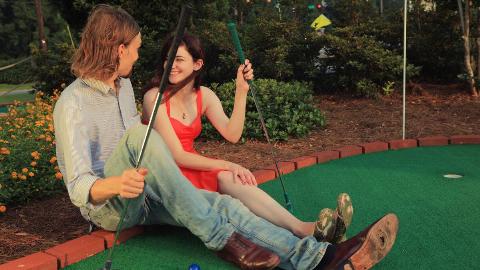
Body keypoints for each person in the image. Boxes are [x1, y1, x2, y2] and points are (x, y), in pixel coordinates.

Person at [53, 4, 398, 270]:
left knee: (225, 204)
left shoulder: (124, 86)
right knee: (138, 136)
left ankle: (321, 258)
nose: (140, 55)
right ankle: (221, 239)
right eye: (136, 48)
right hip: (111, 209)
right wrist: (118, 185)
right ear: (118, 49)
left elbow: (213, 139)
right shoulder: (73, 103)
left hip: (147, 195)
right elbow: (79, 188)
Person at [142, 32, 353, 243]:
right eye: (168, 59)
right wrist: (228, 164)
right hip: (164, 172)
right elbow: (177, 156)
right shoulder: (154, 98)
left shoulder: (203, 95)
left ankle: (304, 229)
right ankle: (302, 233)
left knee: (231, 177)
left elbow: (232, 134)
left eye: (178, 59)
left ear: (197, 64)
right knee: (229, 175)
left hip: (191, 167)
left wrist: (241, 91)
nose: (171, 65)